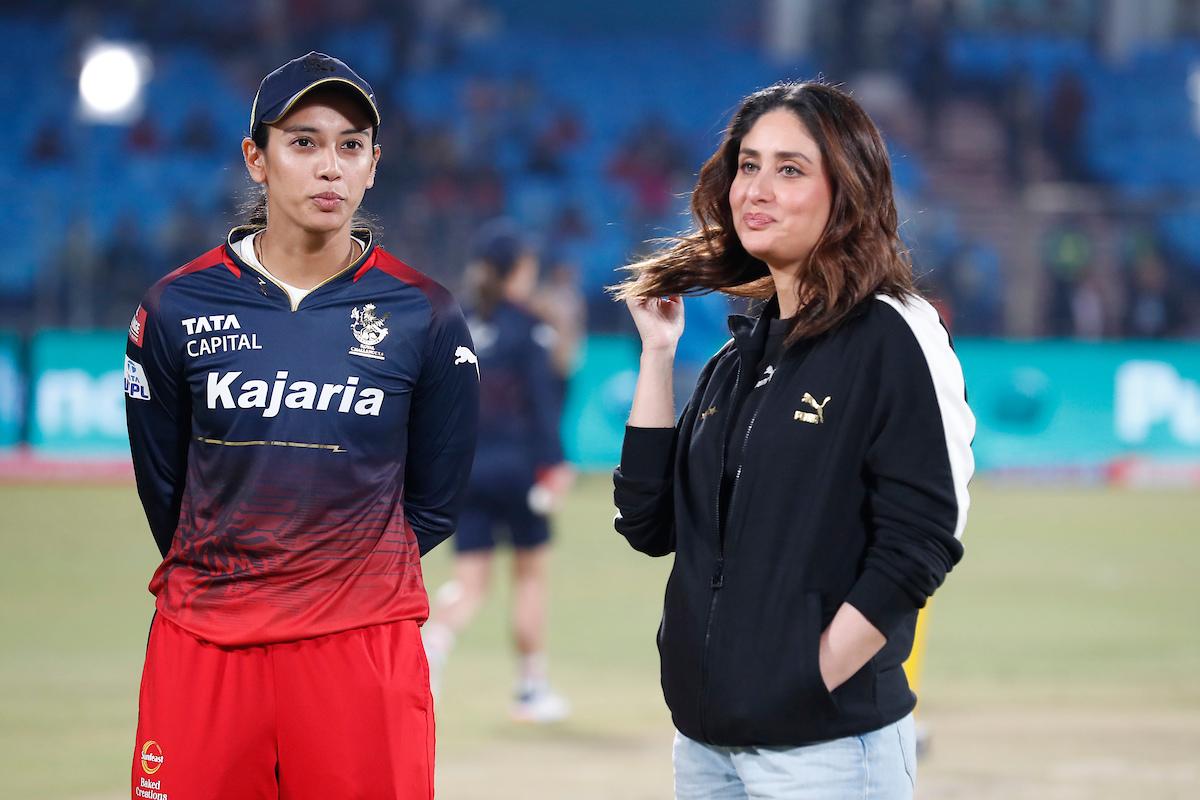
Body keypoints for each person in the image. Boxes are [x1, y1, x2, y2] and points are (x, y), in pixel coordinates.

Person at [123, 52, 478, 799]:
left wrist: (343, 572)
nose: (330, 167)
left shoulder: (427, 315)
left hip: (362, 648)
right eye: (304, 142)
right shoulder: (174, 308)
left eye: (351, 146)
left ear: (374, 165)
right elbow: (164, 489)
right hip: (208, 646)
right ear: (257, 158)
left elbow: (436, 499)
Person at [611, 81, 975, 799]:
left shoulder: (892, 332)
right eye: (748, 165)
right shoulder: (735, 357)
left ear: (848, 191)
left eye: (790, 169)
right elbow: (647, 523)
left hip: (826, 751)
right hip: (706, 746)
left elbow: (927, 533)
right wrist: (657, 355)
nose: (758, 189)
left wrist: (811, 675)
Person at [422, 221, 574, 722]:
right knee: (529, 575)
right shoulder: (529, 326)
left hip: (465, 471)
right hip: (519, 470)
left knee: (469, 582)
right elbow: (541, 402)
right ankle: (531, 690)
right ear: (518, 272)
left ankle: (433, 646)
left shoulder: (452, 319)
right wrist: (553, 465)